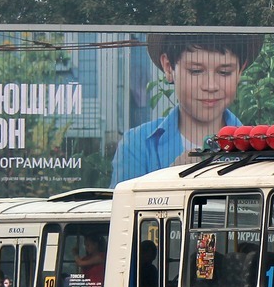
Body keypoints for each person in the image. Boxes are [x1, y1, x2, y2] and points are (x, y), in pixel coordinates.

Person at [110, 32, 265, 187]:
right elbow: (123, 208)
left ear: (240, 71)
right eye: (196, 71)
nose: (210, 86)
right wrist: (170, 183)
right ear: (169, 67)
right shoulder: (136, 146)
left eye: (224, 72)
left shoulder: (260, 148)